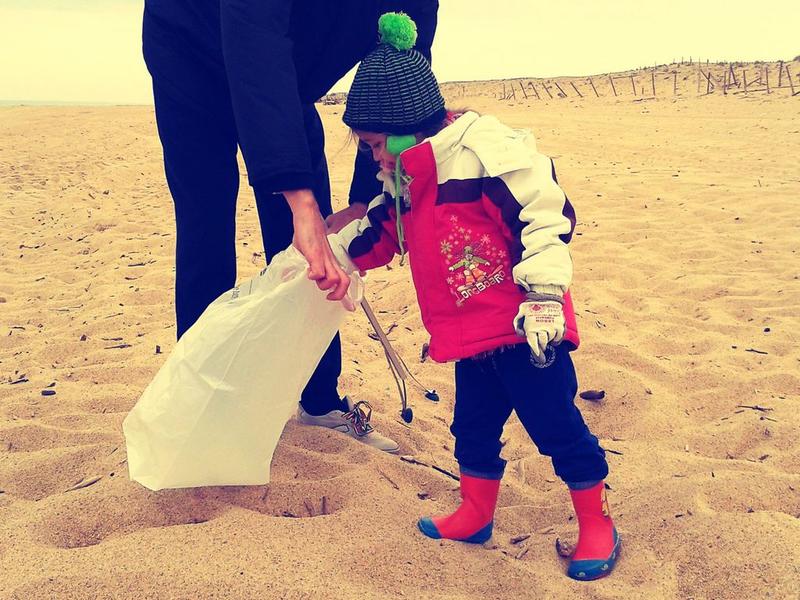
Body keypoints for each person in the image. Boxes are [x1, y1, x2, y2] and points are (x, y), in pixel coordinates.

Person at [332, 12, 621, 581]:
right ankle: (475, 512)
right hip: (469, 338)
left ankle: (596, 520)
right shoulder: (407, 179)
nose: (374, 159)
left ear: (404, 126)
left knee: (556, 426)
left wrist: (543, 295)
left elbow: (545, 215)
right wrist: (337, 256)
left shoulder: (485, 155)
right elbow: (384, 230)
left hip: (523, 330)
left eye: (375, 145)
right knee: (472, 429)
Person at [141, 0, 439, 453]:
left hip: (287, 75)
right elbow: (252, 31)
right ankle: (198, 407)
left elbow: (400, 84)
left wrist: (365, 199)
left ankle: (319, 401)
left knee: (316, 247)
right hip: (191, 48)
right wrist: (299, 199)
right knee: (206, 226)